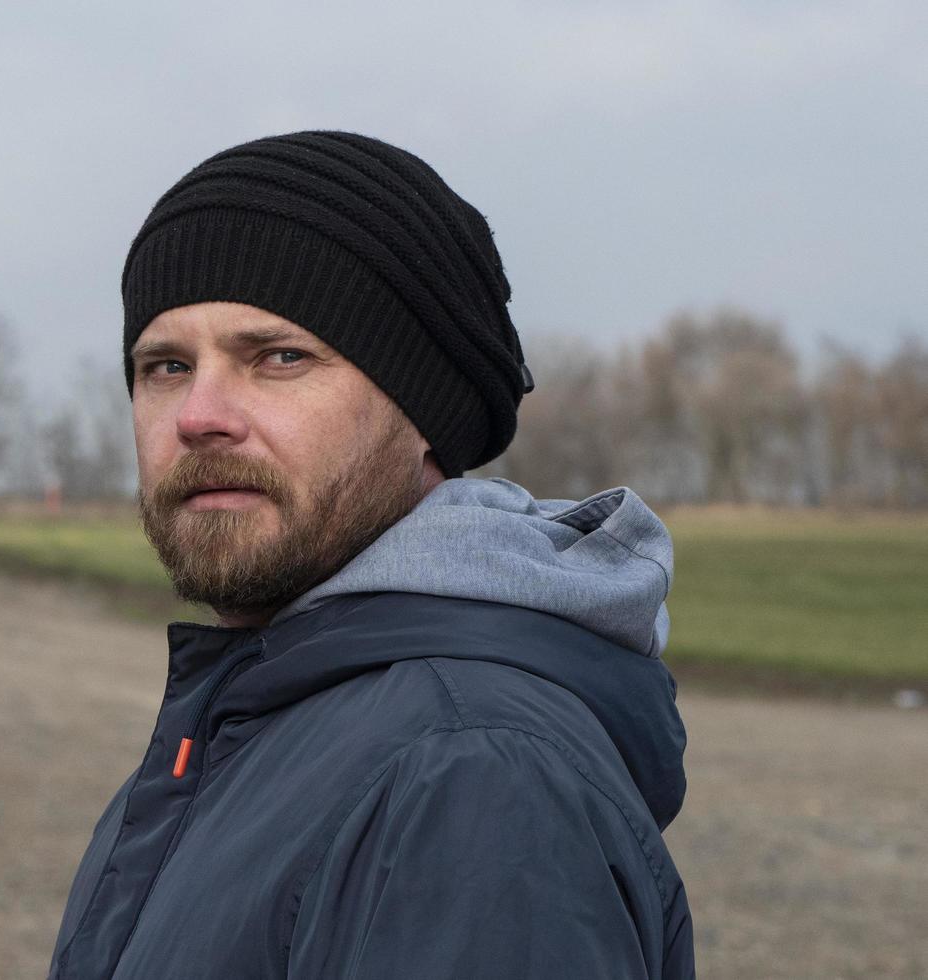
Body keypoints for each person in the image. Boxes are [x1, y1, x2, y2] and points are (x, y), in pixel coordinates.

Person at [47, 131, 693, 979]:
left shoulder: (470, 775)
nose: (198, 413)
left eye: (279, 357)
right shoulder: (263, 707)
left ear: (424, 407)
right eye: (166, 365)